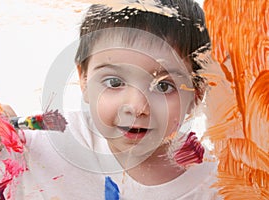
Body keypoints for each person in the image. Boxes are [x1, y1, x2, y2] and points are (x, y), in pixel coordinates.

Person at [15, 0, 220, 199]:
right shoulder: (49, 139)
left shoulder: (216, 184)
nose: (137, 107)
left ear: (196, 94)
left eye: (163, 86)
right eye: (114, 83)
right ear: (84, 79)